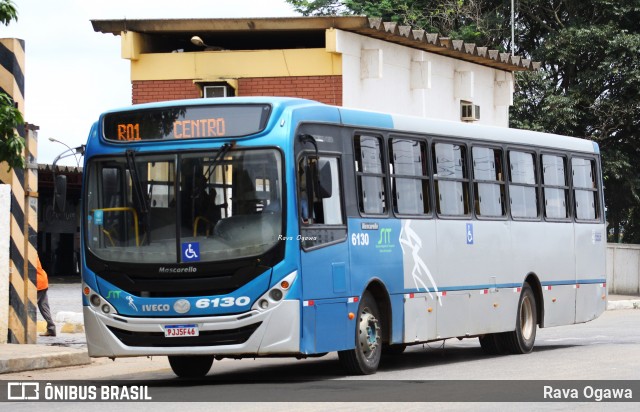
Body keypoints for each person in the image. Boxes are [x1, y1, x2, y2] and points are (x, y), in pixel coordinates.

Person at [36, 255, 56, 337]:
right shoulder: (31, 251)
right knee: (44, 307)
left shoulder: (27, 251)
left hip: (37, 282)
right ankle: (51, 329)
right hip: (42, 281)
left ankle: (26, 330)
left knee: (28, 307)